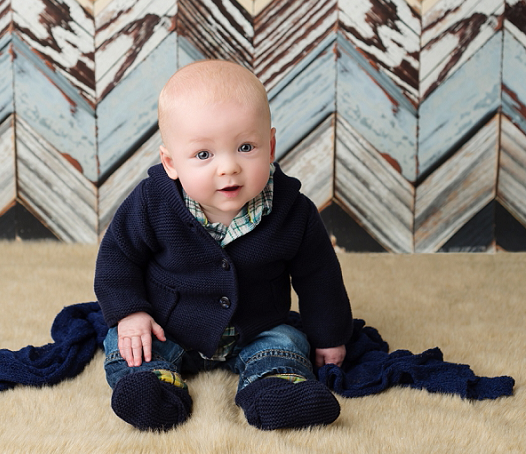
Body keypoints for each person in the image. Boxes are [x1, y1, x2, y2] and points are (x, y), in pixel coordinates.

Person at [93, 60, 352, 431]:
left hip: (257, 326)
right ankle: (153, 389)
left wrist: (329, 335)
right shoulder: (152, 203)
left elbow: (320, 276)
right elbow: (118, 258)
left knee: (286, 343)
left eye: (246, 146)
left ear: (272, 146)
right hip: (170, 325)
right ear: (170, 162)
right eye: (203, 155)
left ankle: (275, 390)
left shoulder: (293, 211)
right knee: (127, 344)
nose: (228, 167)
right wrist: (130, 312)